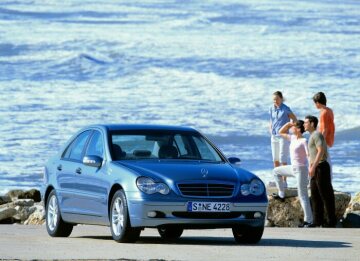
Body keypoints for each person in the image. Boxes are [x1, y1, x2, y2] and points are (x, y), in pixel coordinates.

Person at [272, 120, 313, 227]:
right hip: (292, 168)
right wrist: (289, 123)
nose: (291, 128)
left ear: (298, 129)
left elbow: (309, 156)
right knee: (276, 171)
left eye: (293, 127)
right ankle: (281, 193)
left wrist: (311, 168)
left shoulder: (304, 141)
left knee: (302, 195)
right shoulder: (293, 138)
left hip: (301, 169)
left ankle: (308, 220)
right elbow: (280, 132)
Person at [304, 115, 336, 227]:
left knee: (326, 195)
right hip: (315, 167)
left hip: (321, 167)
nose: (304, 124)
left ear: (312, 124)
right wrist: (310, 167)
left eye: (306, 122)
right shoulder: (312, 136)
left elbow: (321, 151)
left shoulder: (317, 135)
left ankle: (331, 222)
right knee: (315, 195)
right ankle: (318, 221)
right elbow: (312, 155)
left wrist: (313, 167)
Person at [269, 91, 297, 186]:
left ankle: (285, 182)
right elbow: (271, 120)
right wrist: (270, 128)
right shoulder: (271, 108)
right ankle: (278, 181)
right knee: (275, 159)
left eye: (277, 99)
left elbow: (295, 119)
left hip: (283, 137)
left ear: (281, 98)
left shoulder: (286, 109)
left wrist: (289, 127)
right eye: (274, 99)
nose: (275, 101)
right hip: (274, 136)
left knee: (282, 159)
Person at [312, 92, 335, 179]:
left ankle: (328, 180)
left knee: (325, 160)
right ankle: (328, 179)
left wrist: (320, 142)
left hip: (324, 140)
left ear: (317, 102)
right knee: (326, 159)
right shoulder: (329, 110)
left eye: (315, 103)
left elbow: (324, 129)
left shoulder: (323, 112)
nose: (315, 105)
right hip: (329, 139)